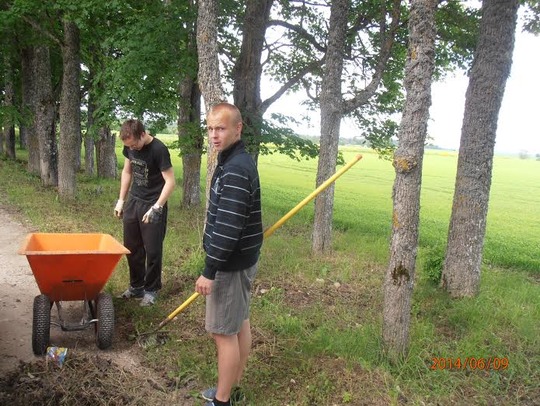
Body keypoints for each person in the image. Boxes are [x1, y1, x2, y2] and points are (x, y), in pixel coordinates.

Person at [196, 103, 263, 406]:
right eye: (210, 128)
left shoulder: (236, 168)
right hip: (241, 259)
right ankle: (232, 387)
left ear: (238, 129)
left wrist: (210, 270)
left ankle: (222, 400)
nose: (214, 135)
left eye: (220, 128)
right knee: (239, 325)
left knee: (223, 333)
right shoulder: (235, 161)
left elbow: (228, 226)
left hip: (230, 263)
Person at [114, 119, 175, 307]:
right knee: (132, 248)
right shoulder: (130, 147)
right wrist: (121, 200)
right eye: (128, 146)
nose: (133, 148)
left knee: (153, 249)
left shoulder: (158, 149)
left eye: (134, 144)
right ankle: (136, 287)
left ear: (142, 134)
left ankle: (151, 290)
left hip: (153, 203)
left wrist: (157, 207)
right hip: (134, 201)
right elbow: (127, 172)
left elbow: (170, 182)